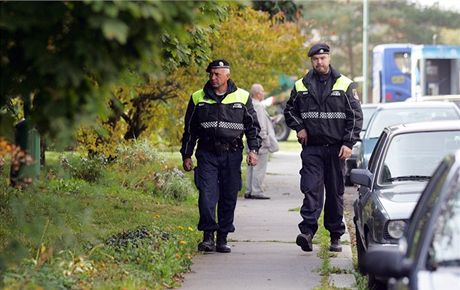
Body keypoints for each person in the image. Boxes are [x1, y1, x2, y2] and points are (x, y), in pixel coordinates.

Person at [284, 43, 363, 252]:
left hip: (337, 149)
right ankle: (307, 233)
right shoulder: (301, 85)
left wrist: (348, 143)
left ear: (329, 58)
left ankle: (335, 236)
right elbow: (289, 111)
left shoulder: (345, 84)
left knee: (335, 193)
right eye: (315, 59)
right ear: (312, 61)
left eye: (323, 58)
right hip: (312, 149)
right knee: (311, 189)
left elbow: (355, 117)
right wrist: (299, 127)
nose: (319, 62)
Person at [180, 59, 261, 253]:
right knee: (207, 196)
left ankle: (222, 238)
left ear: (227, 75)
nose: (213, 77)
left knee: (228, 196)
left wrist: (253, 150)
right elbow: (190, 130)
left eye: (217, 74)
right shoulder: (198, 97)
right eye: (211, 74)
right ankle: (208, 236)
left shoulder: (242, 97)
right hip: (207, 153)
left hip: (232, 154)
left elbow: (252, 127)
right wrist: (187, 154)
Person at [244, 84, 278, 200]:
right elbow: (261, 127)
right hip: (260, 142)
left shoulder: (249, 105)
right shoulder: (258, 106)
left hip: (251, 140)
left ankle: (249, 190)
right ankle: (256, 191)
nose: (264, 93)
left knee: (251, 167)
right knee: (259, 167)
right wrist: (266, 141)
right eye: (262, 91)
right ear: (258, 93)